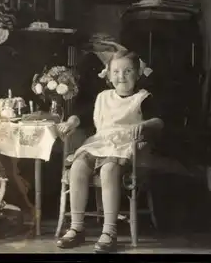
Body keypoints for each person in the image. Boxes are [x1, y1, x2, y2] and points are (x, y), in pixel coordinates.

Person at [56, 41, 164, 253]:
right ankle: (77, 227)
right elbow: (84, 116)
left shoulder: (142, 98)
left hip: (127, 147)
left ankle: (109, 230)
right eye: (116, 71)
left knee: (108, 169)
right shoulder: (103, 97)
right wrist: (71, 122)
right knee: (77, 166)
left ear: (138, 74)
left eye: (127, 71)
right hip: (101, 142)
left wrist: (144, 125)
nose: (121, 76)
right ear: (108, 74)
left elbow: (159, 122)